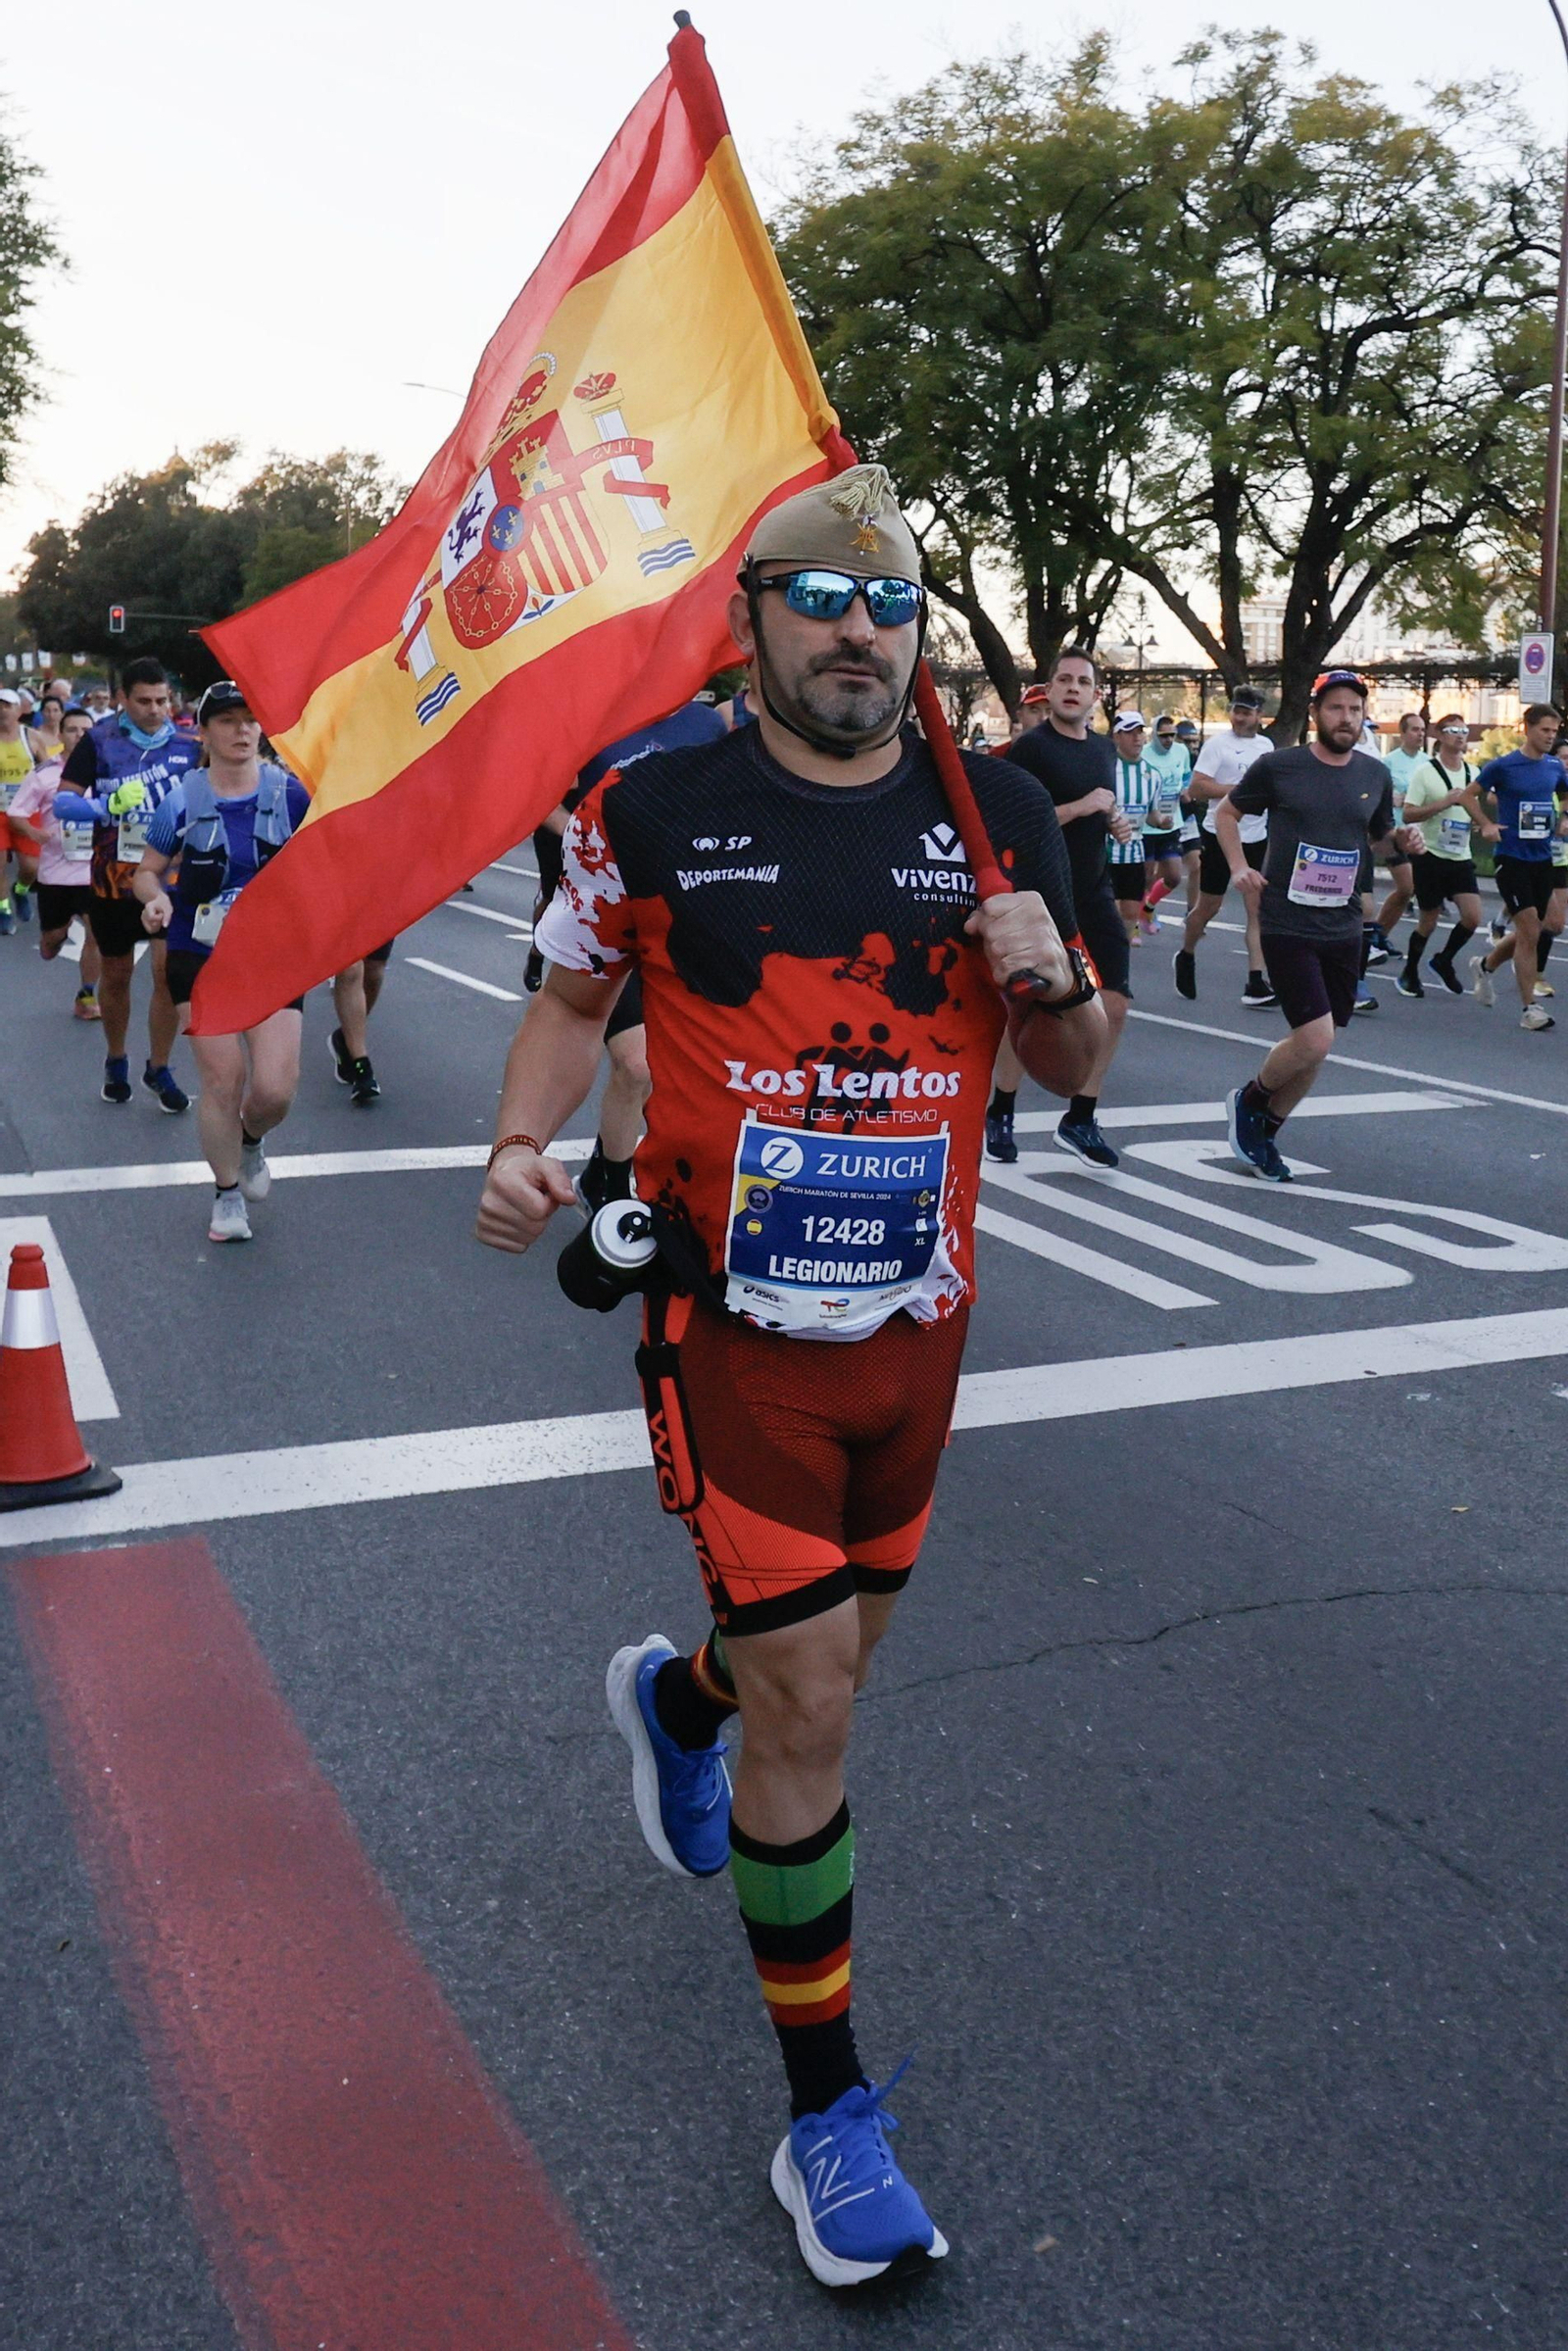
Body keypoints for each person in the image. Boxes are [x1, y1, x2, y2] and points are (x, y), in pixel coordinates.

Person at [476, 464, 1101, 2287]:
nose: (858, 631)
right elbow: (574, 996)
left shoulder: (995, 814)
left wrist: (1046, 967)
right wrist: (524, 1139)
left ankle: (681, 1706)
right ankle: (826, 2115)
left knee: (815, 1661)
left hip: (918, 1328)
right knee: (816, 1700)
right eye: (822, 599)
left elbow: (1078, 1066)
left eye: (890, 603)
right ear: (748, 618)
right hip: (725, 1321)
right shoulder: (650, 804)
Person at [1219, 670, 1424, 1180]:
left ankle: (1267, 1132)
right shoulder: (1279, 766)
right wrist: (1239, 867)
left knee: (1319, 1043)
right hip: (1287, 921)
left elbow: (1377, 838)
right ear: (1317, 713)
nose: (1346, 718)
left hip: (1345, 925)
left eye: (1354, 710)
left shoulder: (1372, 775)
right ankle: (1249, 1100)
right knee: (1314, 1039)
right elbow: (1226, 814)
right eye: (1335, 708)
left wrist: (1403, 841)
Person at [131, 683, 311, 1241]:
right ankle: (227, 1194)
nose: (241, 732)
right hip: (198, 953)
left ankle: (250, 1140)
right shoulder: (181, 799)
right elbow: (146, 870)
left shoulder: (291, 794)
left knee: (275, 1091)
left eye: (250, 721)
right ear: (203, 732)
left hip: (272, 957)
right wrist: (154, 897)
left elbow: (326, 861)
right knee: (222, 1080)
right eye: (228, 721)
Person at [1000, 646, 1136, 1167]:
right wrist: (1084, 808)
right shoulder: (1031, 749)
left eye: (1083, 681)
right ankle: (1003, 1110)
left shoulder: (1103, 750)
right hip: (1041, 893)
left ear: (1095, 695)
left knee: (1116, 1003)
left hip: (1094, 889)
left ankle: (1081, 1117)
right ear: (1051, 691)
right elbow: (1018, 826)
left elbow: (1101, 814)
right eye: (1064, 680)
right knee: (1031, 1007)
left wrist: (1114, 823)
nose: (1073, 688)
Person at [59, 655, 200, 1106]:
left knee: (167, 974)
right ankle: (116, 1056)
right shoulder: (98, 741)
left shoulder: (188, 744)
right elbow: (64, 804)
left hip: (169, 879)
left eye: (162, 700)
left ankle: (159, 1066)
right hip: (112, 879)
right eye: (144, 701)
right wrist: (104, 807)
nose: (155, 709)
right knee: (117, 975)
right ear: (122, 699)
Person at [1174, 686, 1277, 1005]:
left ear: (1259, 715)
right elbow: (1197, 788)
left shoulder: (1266, 745)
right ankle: (1187, 952)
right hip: (1219, 836)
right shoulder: (1217, 745)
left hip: (1256, 837)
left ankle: (1256, 982)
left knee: (1256, 909)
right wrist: (1241, 792)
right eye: (1236, 710)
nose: (1239, 717)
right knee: (1210, 907)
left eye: (1246, 712)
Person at [1468, 704, 1566, 1032]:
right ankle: (1530, 1008)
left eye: (1555, 731)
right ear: (1528, 729)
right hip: (1511, 858)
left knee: (1551, 924)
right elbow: (1468, 796)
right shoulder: (1505, 766)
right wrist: (1486, 824)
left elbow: (1565, 796)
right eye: (1545, 731)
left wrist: (1564, 817)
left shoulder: (1554, 766)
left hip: (1542, 858)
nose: (1551, 737)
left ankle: (1485, 965)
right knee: (1529, 931)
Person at [6, 707, 103, 1016]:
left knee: (96, 934)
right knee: (51, 943)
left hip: (94, 872)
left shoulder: (107, 773)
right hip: (55, 875)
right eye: (72, 730)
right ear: (60, 735)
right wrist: (36, 834)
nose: (80, 736)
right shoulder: (44, 774)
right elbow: (16, 813)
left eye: (86, 730)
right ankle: (53, 938)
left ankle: (86, 997)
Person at [1395, 716, 1496, 999]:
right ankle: (1410, 971)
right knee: (1428, 920)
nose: (1460, 736)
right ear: (1439, 735)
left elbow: (1472, 808)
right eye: (1453, 731)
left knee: (1473, 917)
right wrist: (1444, 803)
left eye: (1464, 731)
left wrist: (1479, 823)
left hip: (1460, 854)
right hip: (1430, 854)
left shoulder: (1472, 771)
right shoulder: (1425, 772)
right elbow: (1409, 813)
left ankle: (1443, 959)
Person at [1104, 711, 1177, 942]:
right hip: (1105, 853)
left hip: (1135, 853)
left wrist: (1162, 822)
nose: (1137, 738)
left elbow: (1151, 814)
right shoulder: (1105, 770)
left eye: (1140, 732)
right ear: (1117, 737)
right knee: (1109, 911)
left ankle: (1120, 957)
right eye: (1130, 733)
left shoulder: (1152, 775)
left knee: (1129, 912)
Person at [1366, 710, 1426, 960]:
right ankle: (1372, 936)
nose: (1420, 734)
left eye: (1423, 730)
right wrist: (1391, 799)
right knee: (1406, 886)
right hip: (1394, 832)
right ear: (1402, 734)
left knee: (1408, 891)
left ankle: (1379, 935)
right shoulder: (1388, 762)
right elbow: (1373, 793)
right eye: (1414, 729)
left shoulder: (1427, 762)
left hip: (1420, 834)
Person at [329, 944, 391, 1104]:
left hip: (373, 917)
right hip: (337, 917)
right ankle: (362, 1069)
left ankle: (344, 1039)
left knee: (374, 969)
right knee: (350, 967)